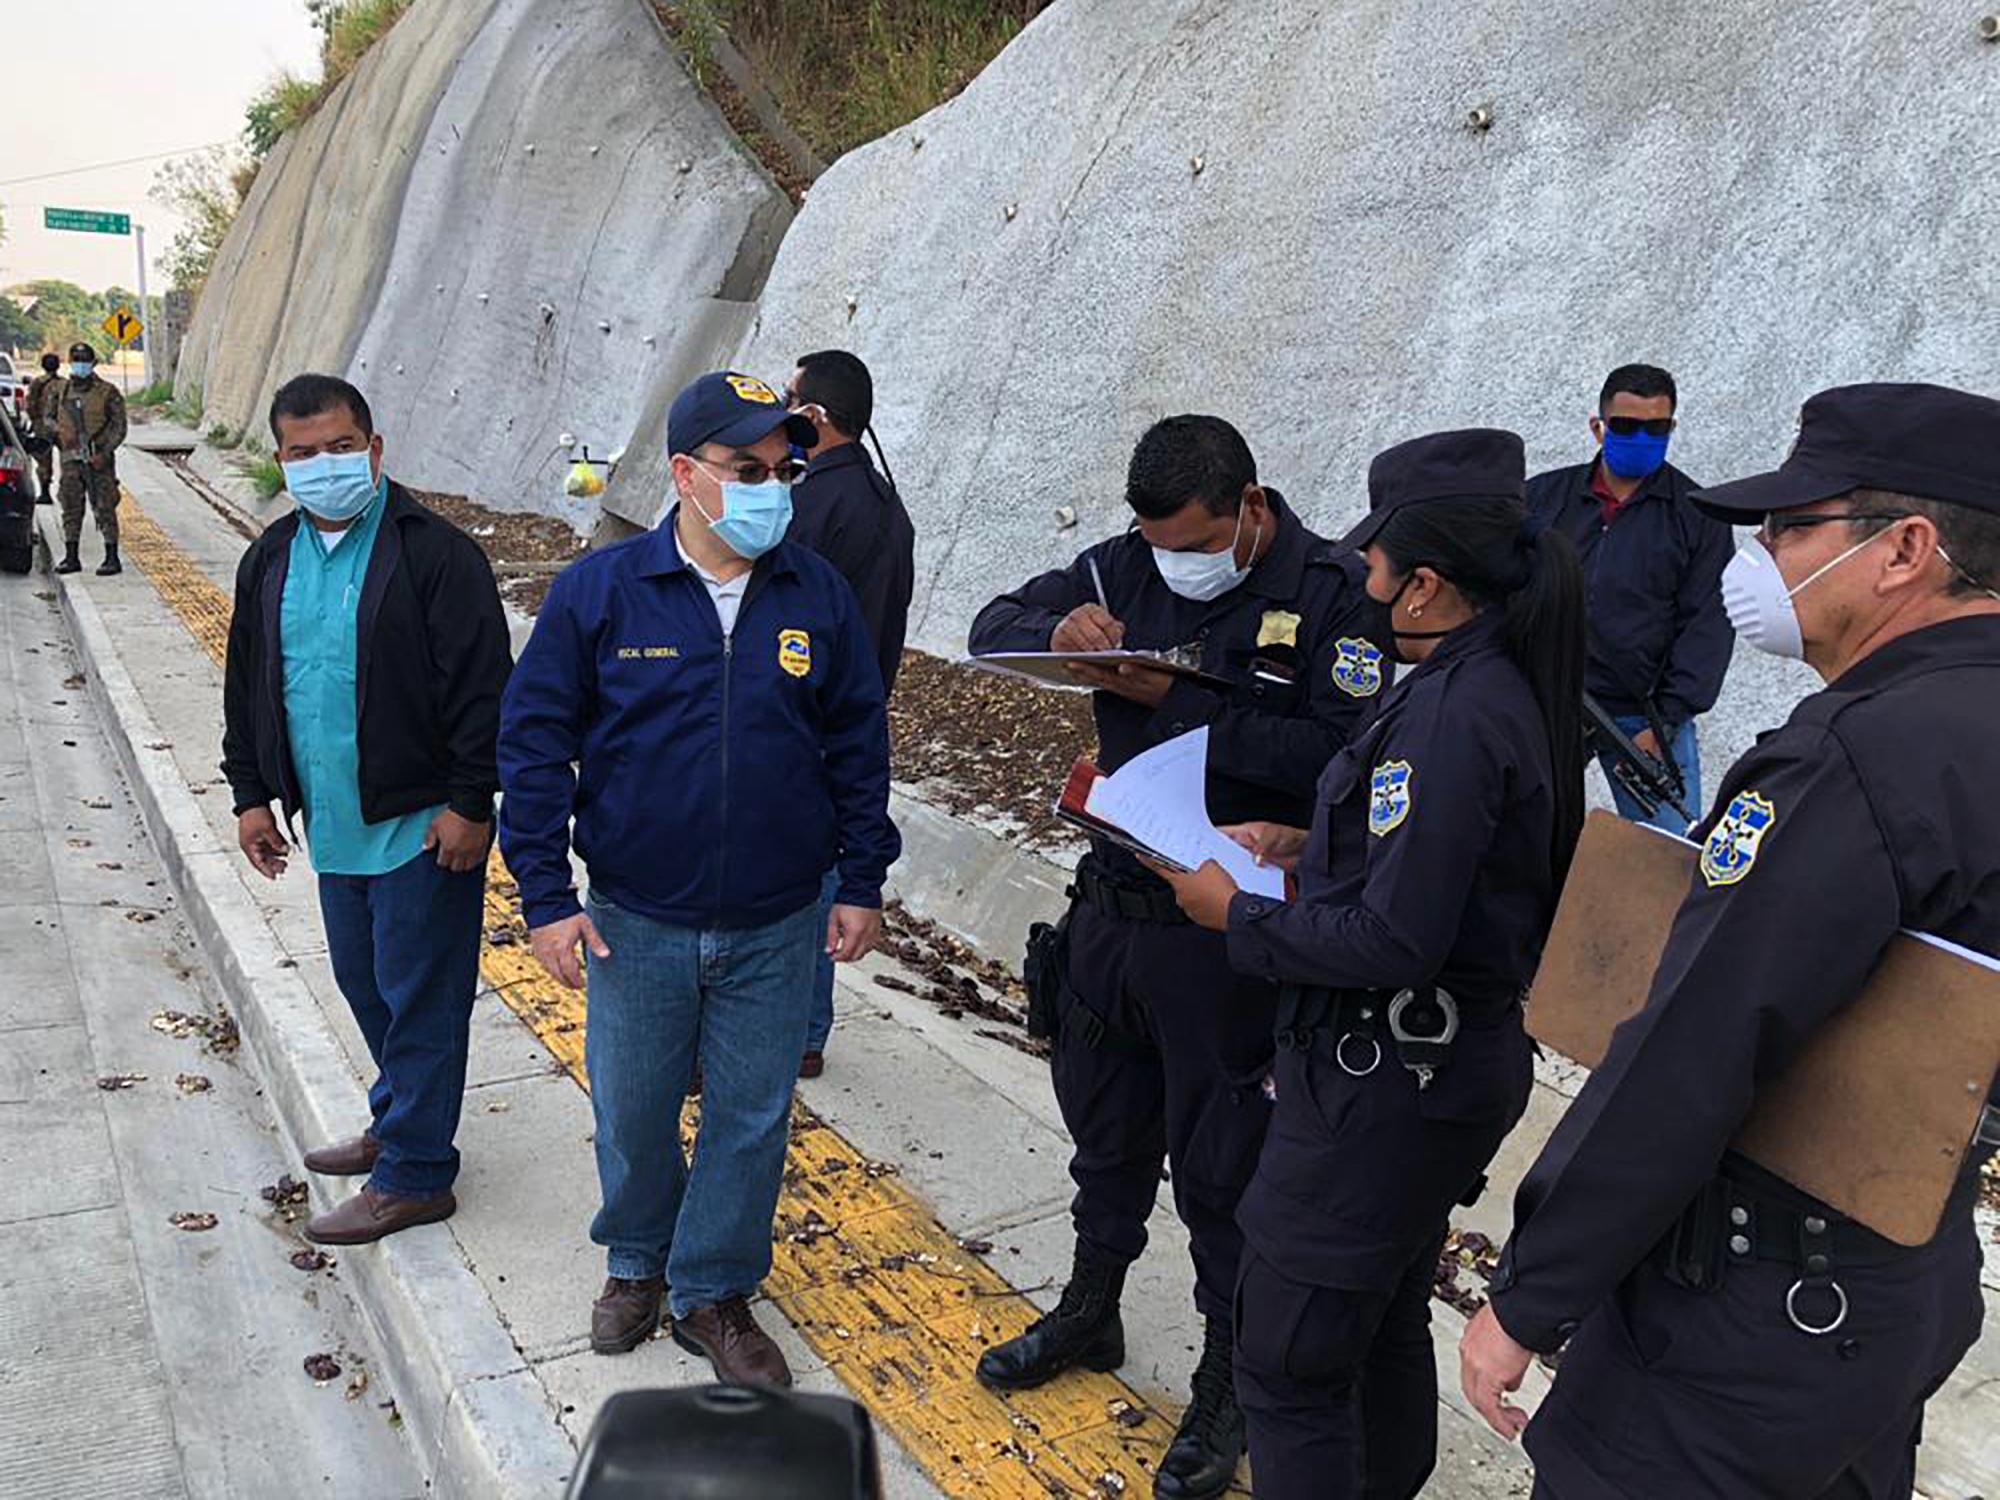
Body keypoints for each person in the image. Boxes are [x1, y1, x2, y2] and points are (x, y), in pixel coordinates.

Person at [1462, 383, 2000, 1499]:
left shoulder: (1854, 756)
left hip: (1747, 1316)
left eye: (1793, 527)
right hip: (1902, 1282)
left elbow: (1693, 1044)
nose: (1758, 555)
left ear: (1906, 549)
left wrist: (1529, 1293)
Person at [1153, 429, 1587, 1499]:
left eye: (1378, 568)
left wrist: (1233, 918)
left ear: (1429, 586)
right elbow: (1447, 867)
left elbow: (1397, 939)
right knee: (1377, 1316)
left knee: (1288, 1363)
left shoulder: (1453, 711)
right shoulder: (1479, 681)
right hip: (1420, 1081)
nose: (1365, 582)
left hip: (1385, 1086)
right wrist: (1310, 846)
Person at [968, 415, 1392, 1500]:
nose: (1173, 564)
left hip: (1228, 932)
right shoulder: (1120, 565)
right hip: (1113, 907)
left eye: (1194, 542)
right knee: (1103, 1136)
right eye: (1157, 544)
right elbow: (991, 625)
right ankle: (1089, 1308)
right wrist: (1059, 626)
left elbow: (1347, 748)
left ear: (1249, 508)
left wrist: (1186, 702)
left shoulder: (1334, 590)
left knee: (1222, 1172)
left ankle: (1224, 1383)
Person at [498, 370, 898, 1387]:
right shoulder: (601, 592)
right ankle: (635, 1262)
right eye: (745, 469)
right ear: (684, 473)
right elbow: (535, 747)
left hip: (778, 919)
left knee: (750, 1118)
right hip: (637, 920)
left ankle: (712, 1288)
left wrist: (861, 881)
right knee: (632, 1112)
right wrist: (544, 898)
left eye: (782, 469)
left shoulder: (818, 594)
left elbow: (857, 743)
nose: (772, 488)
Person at [221, 374, 512, 1246]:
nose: (323, 465)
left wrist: (472, 803)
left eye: (340, 448)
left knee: (422, 996)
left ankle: (418, 1173)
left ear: (375, 449)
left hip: (422, 826)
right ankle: (400, 1119)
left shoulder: (436, 553)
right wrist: (250, 793)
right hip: (331, 822)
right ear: (281, 460)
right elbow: (248, 682)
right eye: (303, 453)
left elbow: (484, 689)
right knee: (366, 985)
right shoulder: (270, 555)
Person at [781, 349, 916, 1080]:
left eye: (788, 400)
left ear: (814, 418)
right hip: (858, 711)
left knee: (793, 880)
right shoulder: (889, 506)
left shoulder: (803, 506)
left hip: (799, 714)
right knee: (827, 874)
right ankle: (806, 1032)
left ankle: (786, 1025)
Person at [1527, 364, 1733, 829]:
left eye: (1655, 428)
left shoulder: (1697, 514)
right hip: (1548, 703)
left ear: (1672, 428)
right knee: (1519, 837)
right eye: (1624, 426)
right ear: (1597, 428)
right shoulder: (1542, 499)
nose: (1640, 437)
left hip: (1644, 718)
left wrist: (1666, 720)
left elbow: (1708, 623)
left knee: (1664, 855)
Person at [53, 342, 127, 576]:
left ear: (93, 364)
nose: (80, 365)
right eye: (76, 360)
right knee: (71, 507)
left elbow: (119, 426)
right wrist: (62, 435)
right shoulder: (61, 390)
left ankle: (112, 557)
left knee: (104, 506)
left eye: (84, 361)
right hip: (71, 460)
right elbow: (47, 419)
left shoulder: (108, 392)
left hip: (98, 459)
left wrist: (104, 452)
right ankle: (71, 556)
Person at [25, 352, 62, 500]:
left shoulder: (38, 383)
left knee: (43, 460)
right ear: (58, 366)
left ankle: (45, 492)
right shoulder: (65, 383)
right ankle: (66, 491)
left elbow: (31, 405)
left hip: (42, 426)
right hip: (62, 427)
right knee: (67, 459)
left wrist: (34, 421)